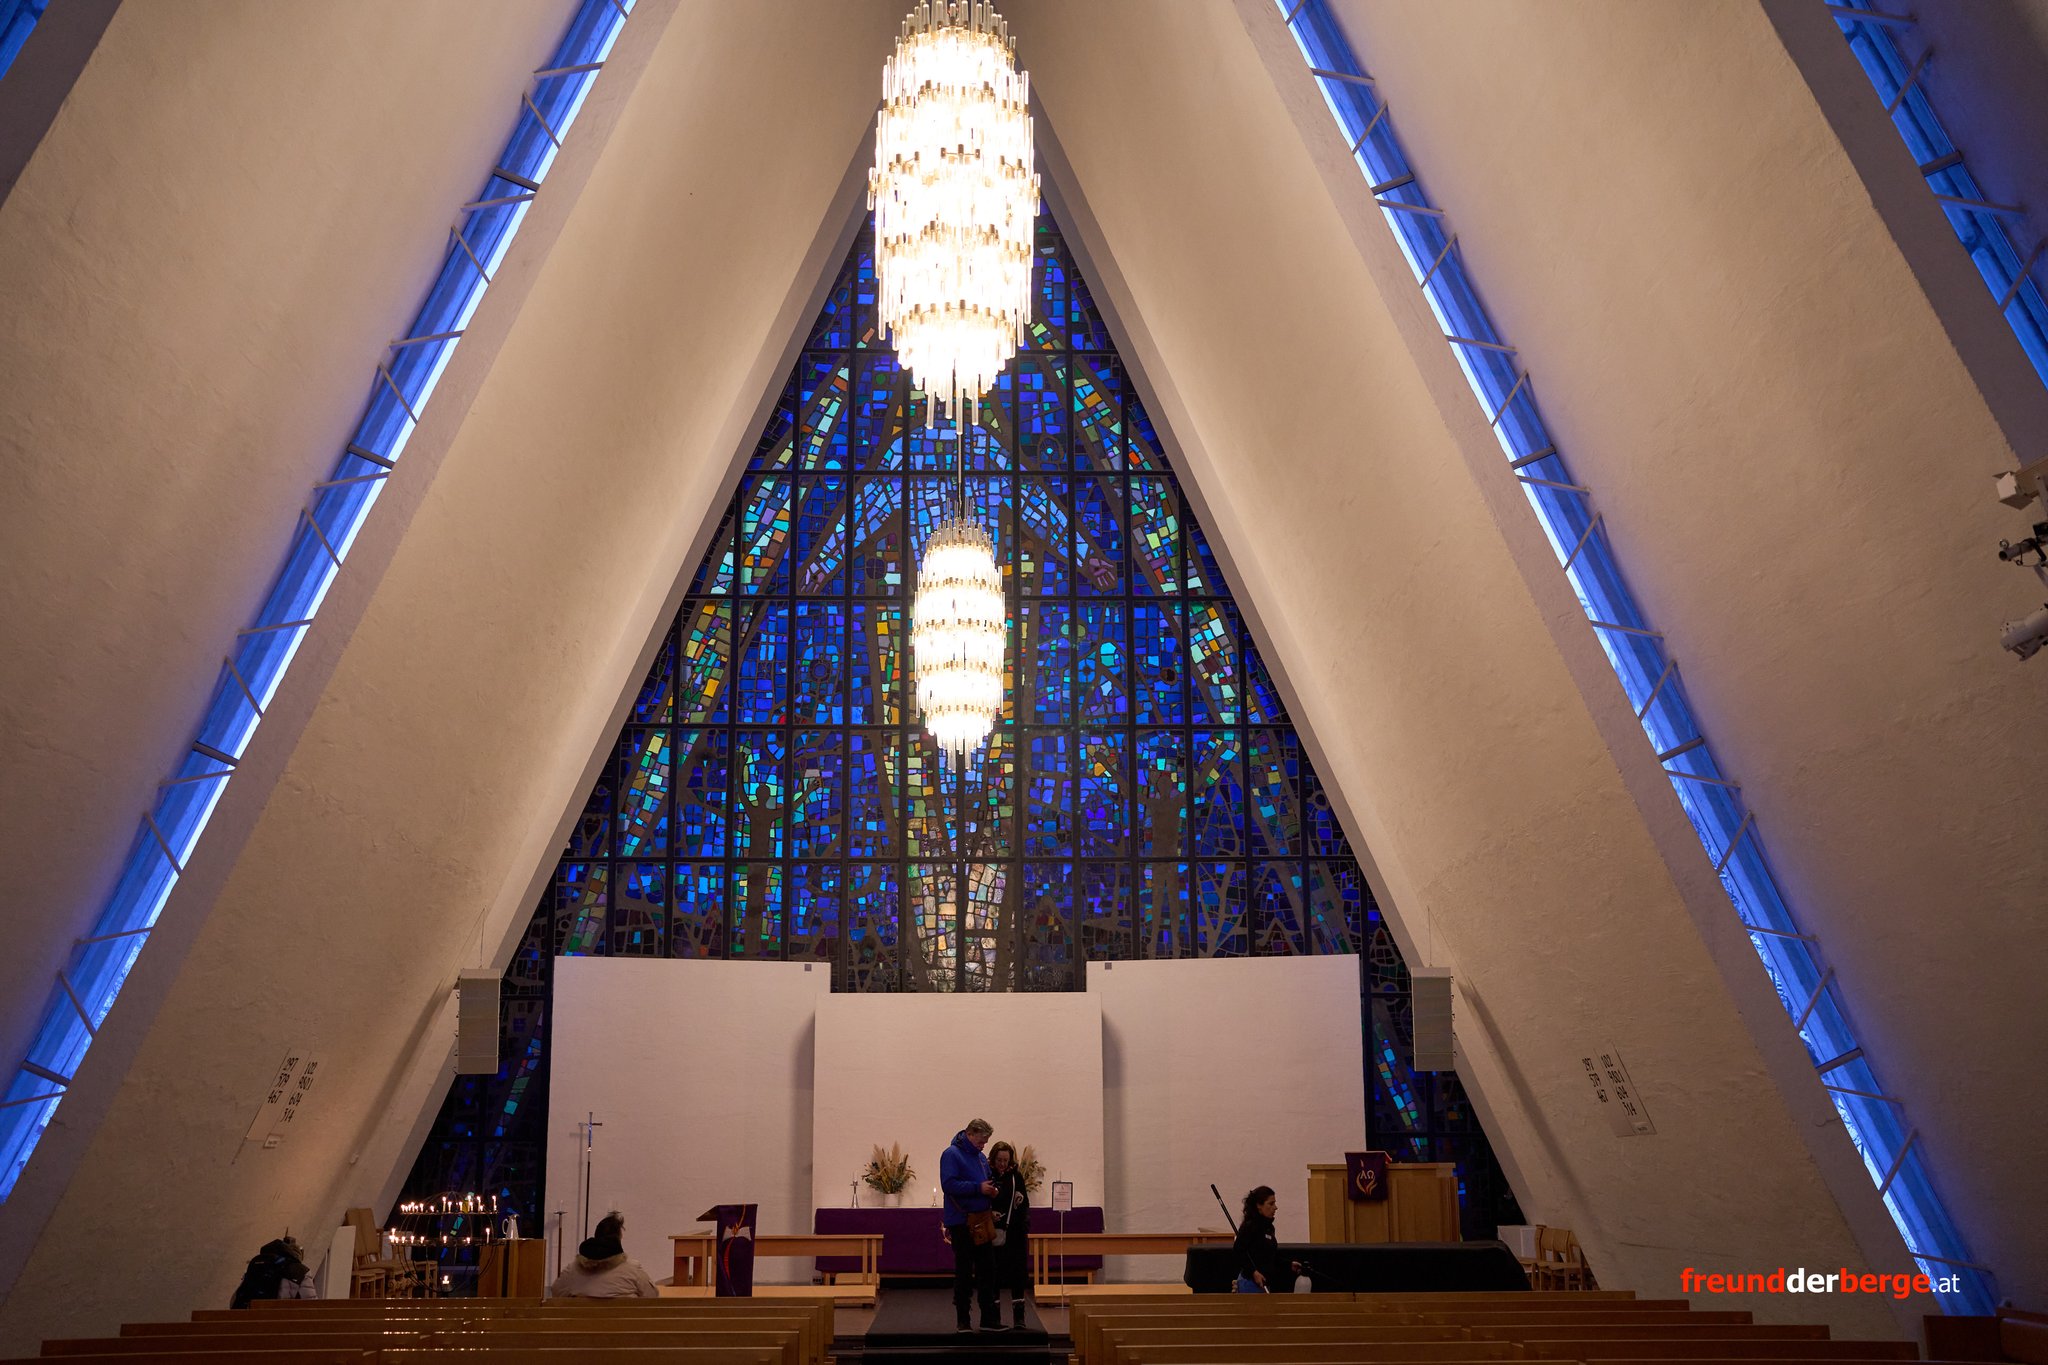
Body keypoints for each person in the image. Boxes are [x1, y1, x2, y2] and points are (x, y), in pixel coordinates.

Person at [939, 1117, 1001, 1332]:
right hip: (962, 1221)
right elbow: (948, 1185)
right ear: (970, 1133)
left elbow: (987, 1180)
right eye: (981, 1141)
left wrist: (992, 1190)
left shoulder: (981, 1157)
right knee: (964, 1271)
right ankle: (963, 1320)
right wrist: (978, 1188)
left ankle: (988, 1320)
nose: (984, 1145)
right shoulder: (951, 1154)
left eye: (986, 1141)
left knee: (988, 1270)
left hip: (982, 1219)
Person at [548, 1210, 660, 1298]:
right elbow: (652, 1296)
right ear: (618, 1239)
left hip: (584, 1320)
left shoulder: (573, 1270)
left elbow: (556, 1293)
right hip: (622, 1321)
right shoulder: (633, 1269)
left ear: (596, 1236)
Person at [986, 1141, 1032, 1329]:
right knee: (994, 1274)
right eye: (999, 1160)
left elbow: (1024, 1204)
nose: (1002, 1164)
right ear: (993, 1159)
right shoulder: (987, 1176)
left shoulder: (1016, 1177)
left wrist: (1021, 1221)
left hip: (1014, 1233)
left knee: (1018, 1274)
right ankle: (994, 1316)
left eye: (1006, 1160)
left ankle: (1019, 1317)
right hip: (993, 1232)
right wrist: (990, 1214)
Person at [1232, 1186, 1302, 1293]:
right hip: (1250, 1283)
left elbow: (1270, 1257)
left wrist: (1288, 1265)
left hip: (1265, 1282)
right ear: (1259, 1205)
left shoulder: (1269, 1228)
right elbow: (1238, 1252)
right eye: (1271, 1204)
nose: (1275, 1207)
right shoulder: (1250, 1227)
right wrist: (1253, 1272)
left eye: (1274, 1203)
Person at [229, 1236, 315, 1307]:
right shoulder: (300, 1270)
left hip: (249, 1317)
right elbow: (311, 1305)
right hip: (279, 1318)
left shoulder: (257, 1263)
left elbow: (235, 1300)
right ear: (298, 1255)